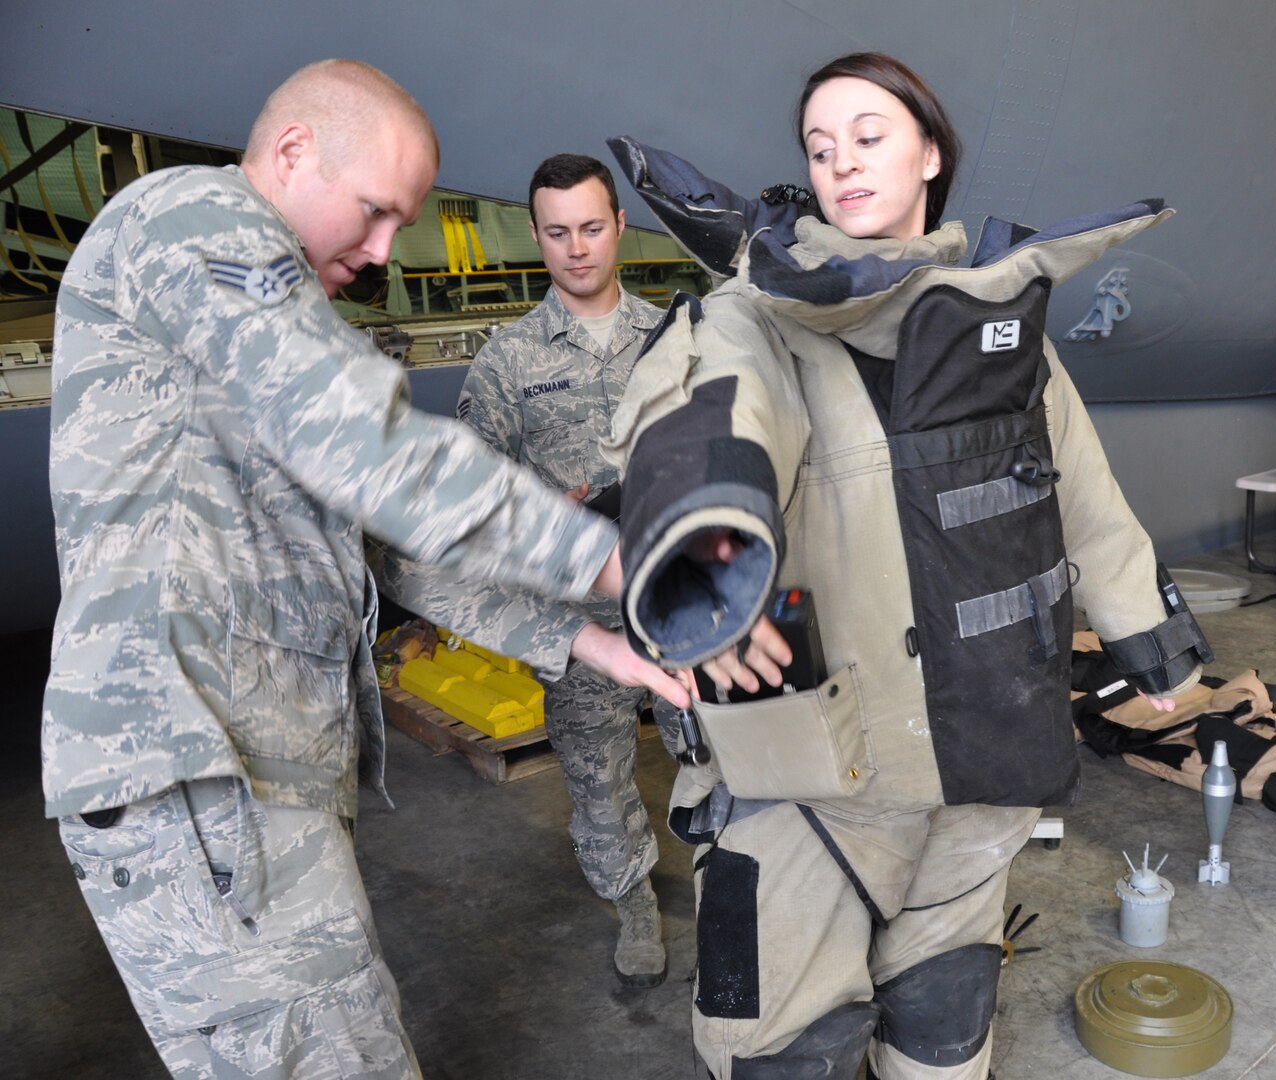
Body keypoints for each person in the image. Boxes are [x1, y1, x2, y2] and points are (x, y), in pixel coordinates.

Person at [602, 53, 1209, 1079]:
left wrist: (1153, 639)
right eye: (819, 146)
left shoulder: (999, 324)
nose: (840, 163)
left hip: (983, 757)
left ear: (931, 150)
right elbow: (710, 423)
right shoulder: (757, 317)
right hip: (814, 777)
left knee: (945, 1016)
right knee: (789, 1045)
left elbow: (1086, 496)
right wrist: (699, 562)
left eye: (868, 135)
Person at [44, 60, 628, 1078]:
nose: (379, 252)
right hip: (194, 766)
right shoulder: (192, 217)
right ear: (291, 152)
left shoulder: (247, 332)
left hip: (248, 779)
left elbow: (388, 547)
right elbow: (375, 442)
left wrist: (579, 636)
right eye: (373, 213)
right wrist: (619, 561)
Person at [378, 153, 676, 988]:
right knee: (598, 769)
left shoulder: (668, 337)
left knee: (716, 748)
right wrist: (559, 506)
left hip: (677, 595)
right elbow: (476, 491)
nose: (576, 249)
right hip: (575, 618)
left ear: (619, 227)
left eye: (591, 227)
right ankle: (634, 905)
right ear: (536, 238)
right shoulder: (506, 361)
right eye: (556, 233)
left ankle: (730, 877)